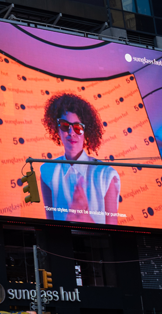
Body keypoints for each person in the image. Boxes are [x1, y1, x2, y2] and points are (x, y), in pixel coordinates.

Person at [39, 93, 121, 225]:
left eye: (78, 127)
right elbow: (50, 226)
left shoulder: (105, 175)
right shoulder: (47, 171)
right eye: (65, 126)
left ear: (86, 132)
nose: (71, 132)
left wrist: (86, 218)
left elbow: (113, 233)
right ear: (57, 129)